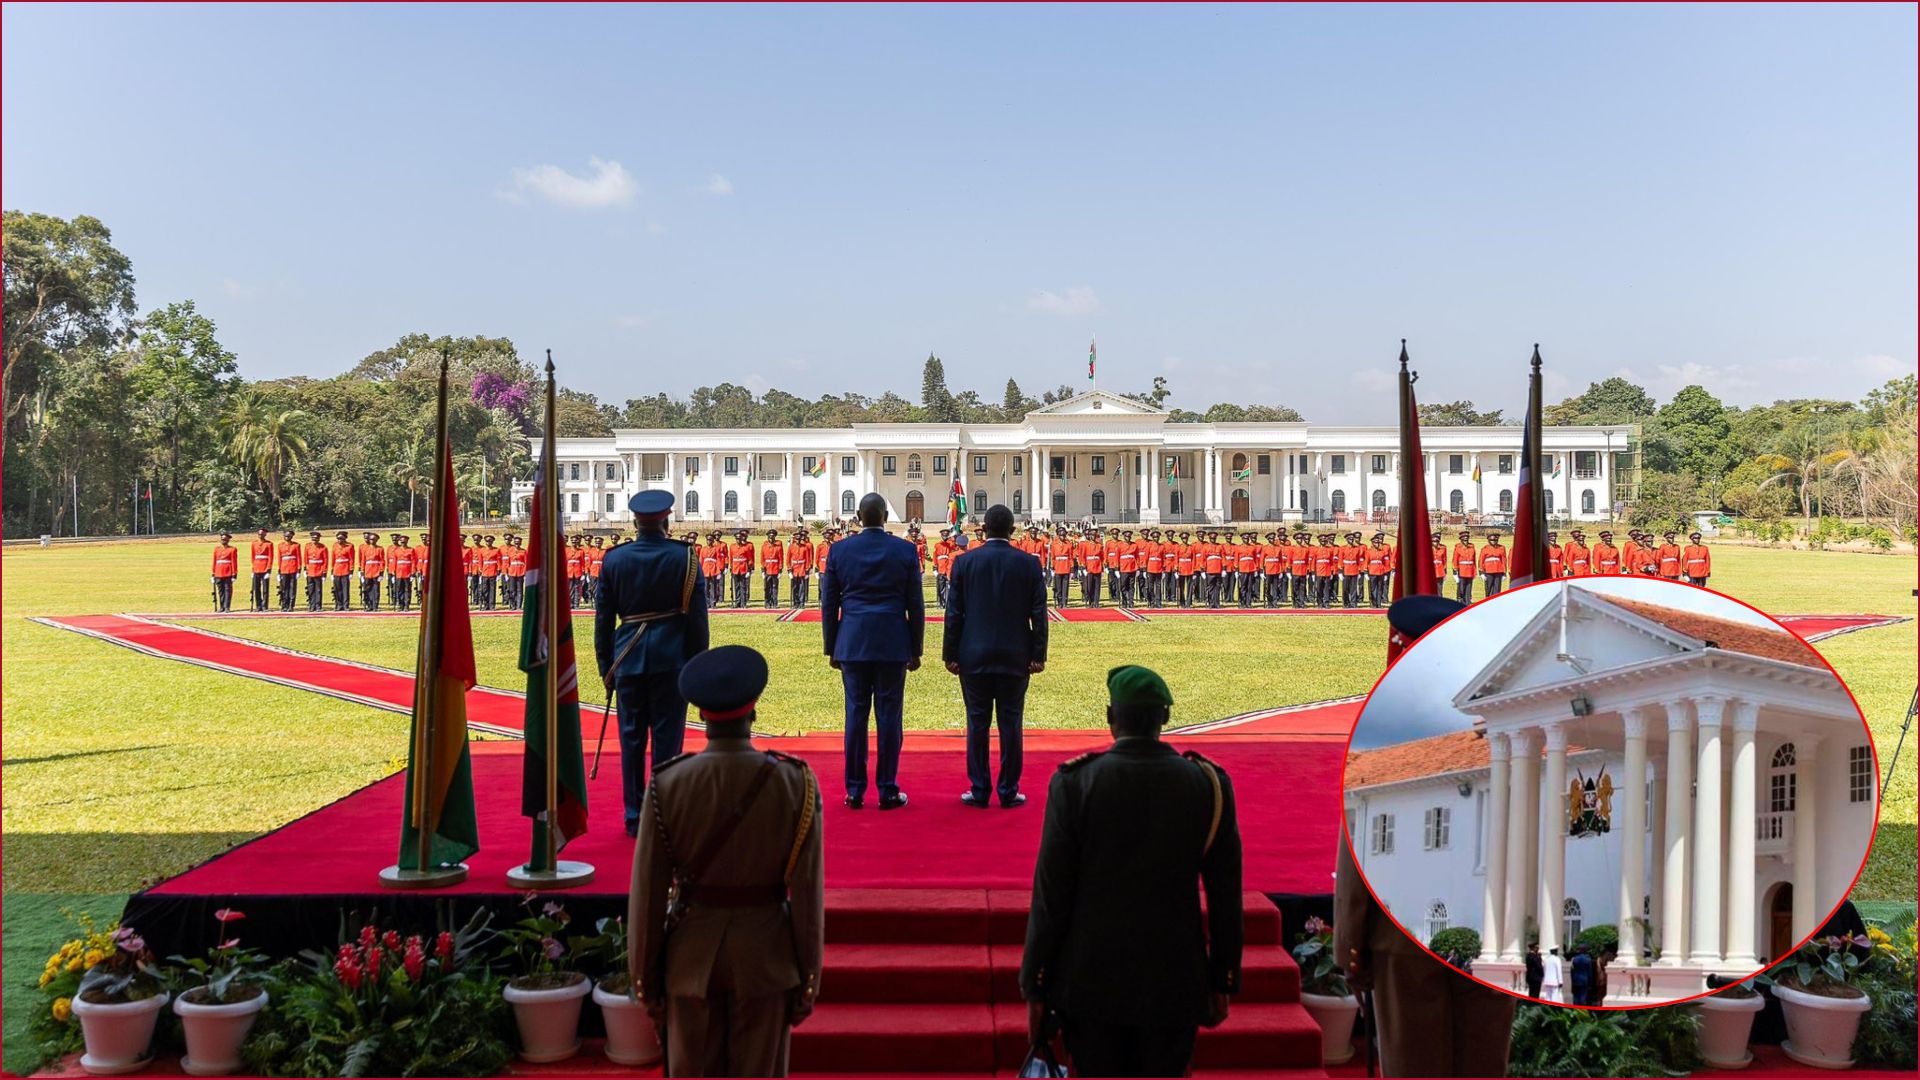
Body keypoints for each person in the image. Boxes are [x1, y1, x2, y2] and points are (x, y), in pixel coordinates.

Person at [1021, 665, 1241, 1078]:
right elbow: (1226, 895)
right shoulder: (1208, 785)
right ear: (1165, 718)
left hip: (1089, 983)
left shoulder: (1075, 783)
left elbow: (1051, 898)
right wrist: (1222, 980)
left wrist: (1035, 985)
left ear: (1110, 716)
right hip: (1174, 981)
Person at [1336, 593, 1517, 1077]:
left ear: (1403, 644)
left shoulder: (1389, 712)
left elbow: (1360, 845)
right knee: (1482, 1060)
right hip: (1497, 935)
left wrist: (1351, 950)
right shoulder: (1511, 713)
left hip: (1403, 937)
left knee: (1414, 1063)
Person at [630, 645, 824, 1079]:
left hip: (690, 960)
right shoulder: (795, 784)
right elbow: (808, 896)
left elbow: (646, 895)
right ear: (753, 710)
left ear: (701, 714)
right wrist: (808, 979)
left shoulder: (668, 783)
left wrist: (644, 979)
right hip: (766, 960)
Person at [595, 491, 710, 836]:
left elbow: (603, 621)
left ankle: (634, 816)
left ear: (634, 522)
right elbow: (698, 621)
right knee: (668, 740)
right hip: (671, 659)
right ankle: (664, 812)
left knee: (631, 741)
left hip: (627, 659)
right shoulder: (685, 557)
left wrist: (606, 667)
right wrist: (695, 664)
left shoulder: (614, 560)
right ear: (666, 520)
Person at [821, 493, 924, 810]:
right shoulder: (905, 550)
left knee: (856, 716)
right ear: (885, 516)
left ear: (858, 516)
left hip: (852, 642)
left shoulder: (839, 550)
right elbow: (915, 606)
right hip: (893, 642)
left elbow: (829, 605)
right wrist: (915, 648)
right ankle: (888, 790)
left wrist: (832, 647)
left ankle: (854, 791)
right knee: (889, 718)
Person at [943, 505, 1047, 809]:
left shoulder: (965, 563)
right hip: (1016, 654)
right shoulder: (1028, 563)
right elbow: (1039, 614)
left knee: (977, 723)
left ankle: (979, 789)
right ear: (1012, 531)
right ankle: (1008, 789)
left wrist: (950, 654)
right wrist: (1038, 654)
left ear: (984, 530)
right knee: (1011, 724)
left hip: (973, 654)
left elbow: (954, 614)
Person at [786, 528, 815, 607]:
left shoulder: (805, 547)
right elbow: (788, 559)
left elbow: (808, 559)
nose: (798, 541)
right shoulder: (791, 547)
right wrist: (789, 570)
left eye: (799, 539)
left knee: (802, 587)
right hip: (794, 568)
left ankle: (802, 602)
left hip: (802, 569)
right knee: (795, 587)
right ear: (795, 539)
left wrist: (807, 570)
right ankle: (795, 602)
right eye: (797, 539)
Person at [247, 528, 274, 612]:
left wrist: (269, 569)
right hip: (256, 567)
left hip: (265, 567)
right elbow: (253, 556)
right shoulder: (254, 543)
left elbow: (270, 557)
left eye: (262, 534)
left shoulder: (269, 544)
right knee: (256, 588)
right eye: (259, 534)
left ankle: (265, 605)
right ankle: (258, 605)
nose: (260, 535)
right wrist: (253, 567)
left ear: (265, 535)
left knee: (265, 589)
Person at [301, 530, 329, 612]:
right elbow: (306, 558)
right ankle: (311, 606)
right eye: (313, 538)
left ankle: (318, 606)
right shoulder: (307, 546)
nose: (314, 540)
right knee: (310, 589)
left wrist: (324, 573)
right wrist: (305, 569)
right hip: (310, 570)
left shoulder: (323, 547)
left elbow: (325, 561)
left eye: (316, 538)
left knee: (318, 590)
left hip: (319, 570)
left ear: (319, 539)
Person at [274, 529, 301, 612]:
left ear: (292, 536)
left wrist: (299, 570)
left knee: (292, 588)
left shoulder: (296, 545)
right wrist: (279, 570)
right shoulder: (280, 545)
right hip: (284, 568)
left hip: (293, 568)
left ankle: (291, 605)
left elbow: (298, 557)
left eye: (289, 536)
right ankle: (284, 604)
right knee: (284, 588)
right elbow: (279, 558)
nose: (287, 537)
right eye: (286, 536)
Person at [211, 533, 239, 612]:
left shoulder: (232, 549)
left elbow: (234, 562)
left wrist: (234, 574)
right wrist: (213, 573)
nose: (223, 541)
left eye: (225, 539)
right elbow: (214, 562)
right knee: (220, 591)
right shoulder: (217, 549)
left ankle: (227, 607)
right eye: (222, 539)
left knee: (227, 590)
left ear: (228, 540)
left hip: (227, 572)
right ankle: (221, 607)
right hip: (218, 572)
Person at [728, 530, 756, 608]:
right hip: (735, 568)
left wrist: (749, 569)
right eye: (737, 539)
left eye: (740, 539)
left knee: (743, 586)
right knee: (736, 586)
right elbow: (731, 558)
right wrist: (731, 568)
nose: (738, 540)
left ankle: (743, 602)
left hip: (744, 568)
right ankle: (737, 602)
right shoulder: (732, 546)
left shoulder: (745, 547)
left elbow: (749, 559)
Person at [360, 532, 387, 612]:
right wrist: (362, 572)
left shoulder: (380, 549)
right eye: (371, 539)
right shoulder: (365, 549)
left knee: (375, 589)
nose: (372, 541)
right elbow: (363, 561)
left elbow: (382, 561)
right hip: (368, 571)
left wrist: (381, 573)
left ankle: (375, 605)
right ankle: (369, 605)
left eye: (374, 539)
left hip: (376, 571)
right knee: (367, 588)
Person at [329, 530, 356, 611]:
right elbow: (333, 559)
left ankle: (345, 605)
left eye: (341, 538)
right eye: (338, 538)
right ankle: (338, 605)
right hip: (337, 569)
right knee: (337, 589)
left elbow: (351, 559)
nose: (339, 540)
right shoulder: (335, 545)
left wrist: (351, 571)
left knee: (345, 589)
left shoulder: (350, 546)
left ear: (345, 538)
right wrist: (332, 571)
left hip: (345, 569)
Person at [390, 534, 416, 611]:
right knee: (399, 589)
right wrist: (393, 572)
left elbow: (413, 562)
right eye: (401, 542)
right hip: (398, 573)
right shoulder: (396, 550)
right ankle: (400, 604)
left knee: (407, 589)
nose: (403, 544)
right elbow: (394, 562)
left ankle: (406, 605)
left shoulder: (411, 550)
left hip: (407, 573)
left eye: (404, 542)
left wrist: (413, 573)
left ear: (407, 542)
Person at [760, 529, 785, 609]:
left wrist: (780, 569)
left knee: (774, 587)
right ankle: (767, 602)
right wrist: (763, 570)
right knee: (767, 587)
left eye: (772, 537)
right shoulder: (764, 547)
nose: (771, 538)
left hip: (775, 569)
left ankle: (774, 602)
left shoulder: (778, 547)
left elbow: (781, 558)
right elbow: (762, 558)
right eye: (769, 537)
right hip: (767, 569)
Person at [1450, 531, 1477, 604]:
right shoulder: (1458, 549)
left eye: (1467, 540)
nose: (1466, 541)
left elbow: (1474, 561)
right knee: (1461, 587)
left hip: (1470, 570)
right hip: (1462, 570)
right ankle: (1460, 600)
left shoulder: (1471, 548)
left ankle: (1467, 601)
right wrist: (1455, 572)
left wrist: (1475, 572)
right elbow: (1455, 561)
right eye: (1464, 540)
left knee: (1469, 587)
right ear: (1461, 540)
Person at [1479, 533, 1507, 598]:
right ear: (1489, 541)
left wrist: (1504, 572)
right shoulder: (1484, 549)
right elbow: (1481, 560)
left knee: (1497, 588)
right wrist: (1481, 572)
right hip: (1488, 570)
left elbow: (1504, 560)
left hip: (1498, 570)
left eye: (1494, 540)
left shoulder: (1501, 548)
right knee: (1489, 587)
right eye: (1491, 540)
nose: (1493, 542)